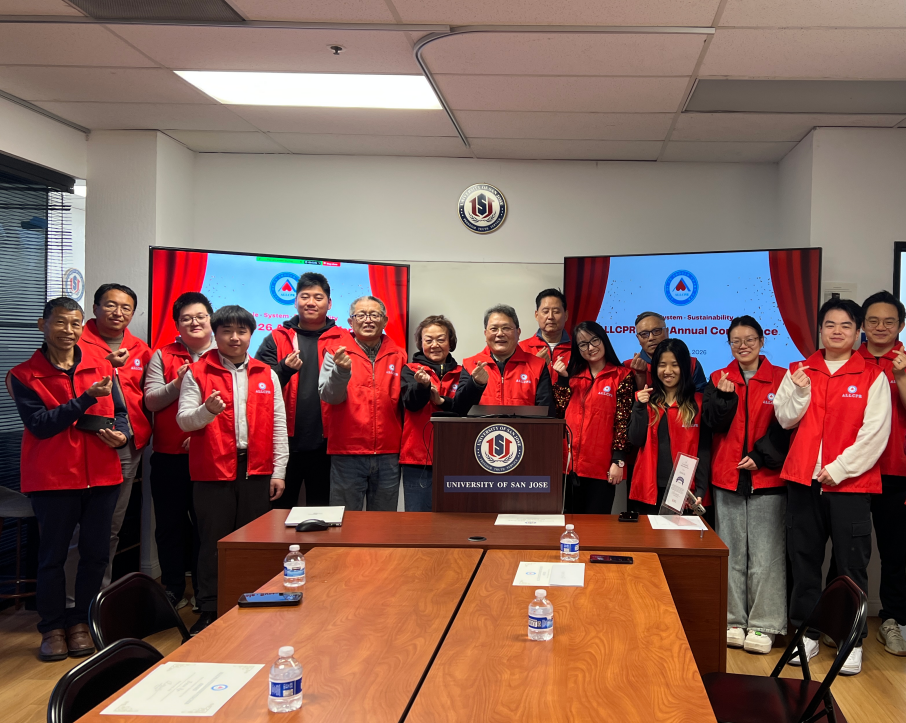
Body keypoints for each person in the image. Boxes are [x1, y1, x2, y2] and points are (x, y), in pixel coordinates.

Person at [7, 298, 128, 661]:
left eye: (75, 324)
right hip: (53, 479)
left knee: (95, 556)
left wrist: (121, 437)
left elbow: (121, 413)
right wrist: (85, 399)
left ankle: (81, 623)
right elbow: (40, 426)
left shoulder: (101, 366)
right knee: (52, 558)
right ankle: (52, 626)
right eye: (60, 323)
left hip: (103, 475)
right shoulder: (23, 375)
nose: (69, 331)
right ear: (42, 325)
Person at [774, 297, 890, 676]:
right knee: (804, 562)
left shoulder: (872, 376)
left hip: (850, 486)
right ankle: (805, 634)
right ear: (820, 330)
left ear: (857, 332)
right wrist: (800, 391)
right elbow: (785, 419)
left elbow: (875, 434)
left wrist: (839, 469)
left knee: (850, 567)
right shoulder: (798, 370)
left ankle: (849, 639)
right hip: (802, 482)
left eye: (845, 326)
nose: (837, 331)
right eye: (829, 325)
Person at [177, 305, 287, 635]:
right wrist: (206, 411)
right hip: (212, 469)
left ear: (251, 335)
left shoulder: (266, 373)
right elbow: (184, 421)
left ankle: (253, 601)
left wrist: (279, 471)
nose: (235, 337)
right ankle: (210, 608)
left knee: (254, 542)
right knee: (213, 542)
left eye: (242, 331)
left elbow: (278, 425)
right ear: (216, 334)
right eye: (227, 331)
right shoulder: (197, 372)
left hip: (256, 469)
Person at [702, 316, 789, 654]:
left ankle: (765, 624)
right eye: (736, 341)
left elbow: (787, 428)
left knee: (767, 555)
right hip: (727, 477)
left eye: (750, 339)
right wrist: (723, 400)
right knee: (732, 553)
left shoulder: (782, 377)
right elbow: (712, 425)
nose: (743, 346)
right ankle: (733, 620)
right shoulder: (718, 378)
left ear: (762, 340)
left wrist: (762, 456)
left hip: (768, 478)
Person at [68, 283, 151, 591]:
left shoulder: (140, 348)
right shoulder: (75, 340)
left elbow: (147, 396)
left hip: (126, 445)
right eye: (111, 305)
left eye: (126, 307)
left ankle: (98, 597)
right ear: (95, 308)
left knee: (111, 525)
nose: (118, 312)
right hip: (82, 443)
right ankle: (71, 599)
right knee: (77, 528)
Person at [144, 292, 214, 611]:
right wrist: (176, 384)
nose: (194, 322)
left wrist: (200, 434)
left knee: (206, 527)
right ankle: (173, 587)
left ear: (211, 319)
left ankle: (204, 591)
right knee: (169, 526)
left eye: (200, 316)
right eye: (186, 318)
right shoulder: (163, 355)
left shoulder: (224, 353)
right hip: (169, 457)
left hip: (210, 457)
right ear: (177, 325)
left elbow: (234, 406)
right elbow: (151, 401)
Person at [255, 272, 337, 509]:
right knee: (278, 513)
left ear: (329, 303)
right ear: (295, 301)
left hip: (329, 446)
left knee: (322, 514)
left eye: (318, 297)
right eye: (305, 296)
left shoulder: (342, 339)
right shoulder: (276, 338)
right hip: (285, 444)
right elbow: (259, 386)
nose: (311, 302)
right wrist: (283, 369)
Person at [318, 296, 407, 511]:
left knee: (384, 522)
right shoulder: (335, 352)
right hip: (347, 452)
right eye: (361, 315)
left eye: (374, 315)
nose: (368, 320)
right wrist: (341, 371)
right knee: (345, 519)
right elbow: (329, 396)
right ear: (351, 321)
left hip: (388, 453)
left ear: (384, 321)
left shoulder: (399, 355)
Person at [857, 291, 906, 656]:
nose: (880, 327)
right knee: (850, 553)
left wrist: (900, 377)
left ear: (900, 326)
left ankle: (894, 620)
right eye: (873, 321)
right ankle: (845, 619)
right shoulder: (846, 359)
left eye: (889, 322)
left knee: (897, 552)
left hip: (896, 472)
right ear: (862, 324)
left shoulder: (904, 361)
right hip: (854, 471)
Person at [557, 321, 632, 514]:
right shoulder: (572, 376)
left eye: (594, 340)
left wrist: (618, 461)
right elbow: (557, 413)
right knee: (568, 523)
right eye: (583, 344)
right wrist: (562, 380)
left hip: (602, 467)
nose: (590, 348)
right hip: (568, 466)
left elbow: (623, 422)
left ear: (604, 340)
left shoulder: (622, 376)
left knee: (597, 525)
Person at [628, 338, 709, 514]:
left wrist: (701, 489)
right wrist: (639, 406)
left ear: (684, 367)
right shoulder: (647, 401)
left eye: (675, 365)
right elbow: (635, 439)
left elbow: (704, 449)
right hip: (649, 489)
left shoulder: (699, 403)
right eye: (662, 365)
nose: (668, 371)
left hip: (685, 491)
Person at [400, 315, 461, 512]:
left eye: (441, 339)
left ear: (450, 342)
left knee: (454, 519)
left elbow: (464, 409)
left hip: (456, 459)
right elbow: (411, 404)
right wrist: (423, 386)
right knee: (418, 521)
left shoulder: (463, 372)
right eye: (428, 340)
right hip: (417, 460)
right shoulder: (409, 370)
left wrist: (442, 401)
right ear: (421, 343)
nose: (435, 345)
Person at [453, 304, 553, 415]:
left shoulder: (537, 365)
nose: (500, 334)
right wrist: (475, 384)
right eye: (494, 329)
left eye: (506, 328)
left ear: (518, 332)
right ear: (485, 334)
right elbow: (459, 410)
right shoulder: (471, 365)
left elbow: (547, 413)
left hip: (524, 427)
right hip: (482, 427)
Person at [625, 311, 708, 392]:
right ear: (638, 338)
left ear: (667, 331)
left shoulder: (691, 364)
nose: (651, 338)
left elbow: (701, 398)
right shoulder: (627, 368)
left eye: (656, 331)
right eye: (644, 334)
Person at [520, 288, 571, 366]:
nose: (550, 317)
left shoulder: (579, 349)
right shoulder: (521, 349)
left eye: (556, 312)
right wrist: (534, 366)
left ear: (566, 315)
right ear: (536, 315)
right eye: (545, 311)